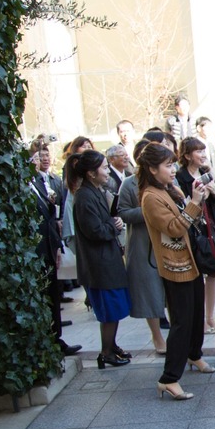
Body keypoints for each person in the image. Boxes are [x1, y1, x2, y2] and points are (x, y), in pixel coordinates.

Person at [139, 142, 215, 400]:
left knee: (195, 315)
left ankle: (194, 355)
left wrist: (193, 198)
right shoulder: (150, 197)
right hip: (175, 265)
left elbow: (187, 218)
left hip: (189, 260)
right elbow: (174, 227)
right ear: (152, 169)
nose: (173, 170)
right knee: (182, 322)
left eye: (173, 164)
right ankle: (169, 378)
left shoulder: (166, 189)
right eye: (167, 165)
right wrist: (193, 202)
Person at [68, 150, 132, 370]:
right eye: (104, 168)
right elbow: (94, 231)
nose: (107, 172)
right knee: (109, 311)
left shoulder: (94, 191)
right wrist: (113, 227)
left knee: (114, 308)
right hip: (98, 264)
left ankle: (112, 346)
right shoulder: (84, 196)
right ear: (90, 173)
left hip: (107, 259)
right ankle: (106, 352)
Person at [116, 139, 168, 355]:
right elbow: (123, 213)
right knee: (149, 292)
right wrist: (148, 211)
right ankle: (157, 337)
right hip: (142, 245)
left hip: (167, 242)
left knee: (170, 291)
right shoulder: (129, 184)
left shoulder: (166, 180)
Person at [29, 141, 80, 356]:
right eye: (34, 157)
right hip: (37, 251)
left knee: (52, 294)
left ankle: (56, 337)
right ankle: (50, 339)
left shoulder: (43, 183)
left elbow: (51, 217)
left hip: (49, 247)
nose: (39, 160)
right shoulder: (26, 185)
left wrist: (58, 245)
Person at [177, 137, 215, 334]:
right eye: (198, 151)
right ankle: (200, 321)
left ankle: (210, 317)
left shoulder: (206, 173)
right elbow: (182, 206)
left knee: (212, 272)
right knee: (197, 274)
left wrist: (213, 193)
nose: (203, 155)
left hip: (211, 227)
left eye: (204, 151)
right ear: (187, 155)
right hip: (193, 229)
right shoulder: (180, 177)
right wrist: (197, 198)